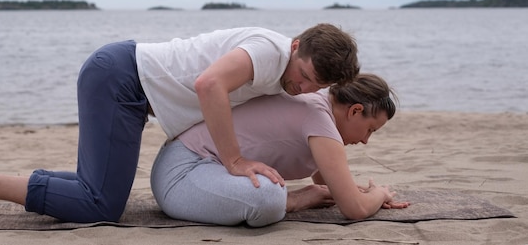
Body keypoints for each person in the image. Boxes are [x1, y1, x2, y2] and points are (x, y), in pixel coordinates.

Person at [0, 23, 359, 224]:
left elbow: (313, 124)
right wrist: (234, 161)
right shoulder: (269, 52)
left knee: (95, 191)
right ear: (297, 45)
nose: (302, 88)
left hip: (128, 87)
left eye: (314, 85)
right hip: (119, 77)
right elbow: (209, 84)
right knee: (100, 205)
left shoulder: (289, 74)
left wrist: (340, 186)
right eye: (304, 76)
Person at [150, 73, 409, 227]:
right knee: (269, 197)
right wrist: (379, 193)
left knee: (271, 192)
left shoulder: (317, 106)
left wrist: (350, 191)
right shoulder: (318, 118)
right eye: (370, 129)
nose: (365, 141)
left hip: (194, 170)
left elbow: (330, 183)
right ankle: (292, 200)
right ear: (355, 111)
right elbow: (355, 210)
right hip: (183, 176)